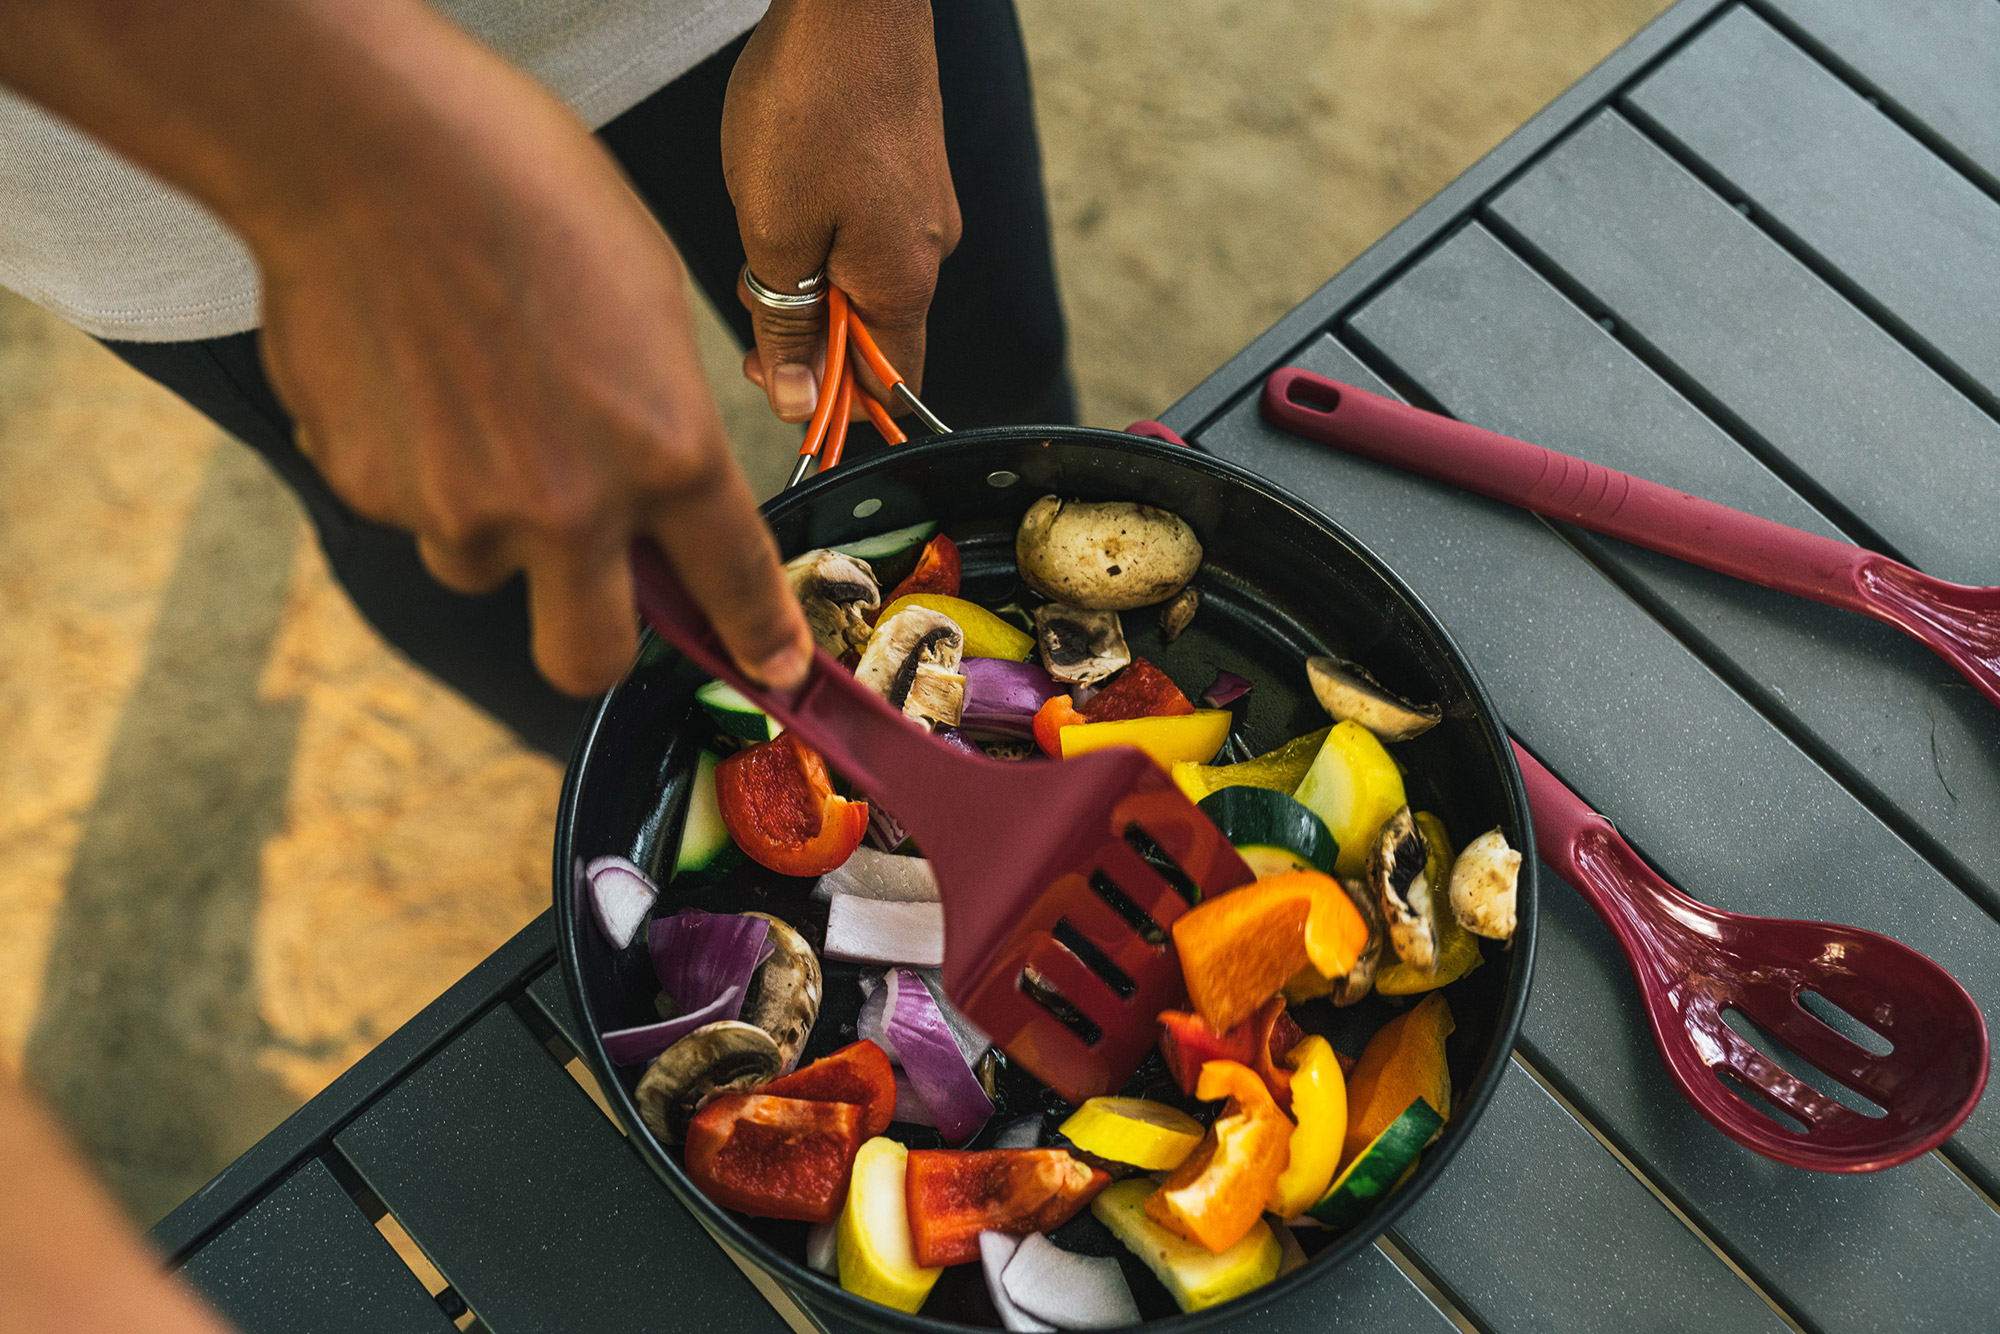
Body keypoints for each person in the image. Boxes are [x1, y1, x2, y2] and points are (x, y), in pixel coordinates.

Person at [0, 0, 1073, 1326]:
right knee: (534, 606)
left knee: (975, 387)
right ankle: (637, 819)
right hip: (158, 151)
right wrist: (331, 185)